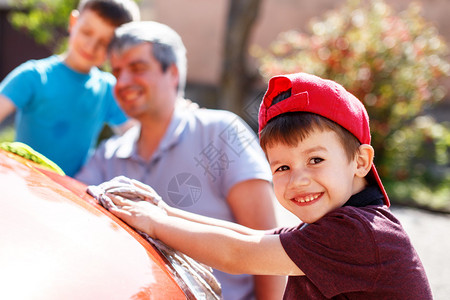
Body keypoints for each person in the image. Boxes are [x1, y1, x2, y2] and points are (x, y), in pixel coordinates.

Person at [100, 72, 433, 299]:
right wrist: (166, 211)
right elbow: (252, 237)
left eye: (315, 160)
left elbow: (238, 254)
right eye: (283, 167)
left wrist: (157, 224)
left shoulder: (358, 235)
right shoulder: (344, 223)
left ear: (360, 161)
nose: (298, 179)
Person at [75, 21, 285, 300]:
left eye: (137, 68)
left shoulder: (221, 134)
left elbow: (268, 247)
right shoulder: (107, 156)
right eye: (116, 71)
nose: (123, 82)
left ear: (172, 72)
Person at [0, 0, 140, 176]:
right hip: (24, 184)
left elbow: (138, 139)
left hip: (71, 194)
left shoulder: (108, 89)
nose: (91, 46)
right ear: (73, 22)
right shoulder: (34, 76)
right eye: (87, 32)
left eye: (105, 43)